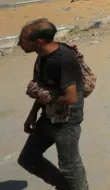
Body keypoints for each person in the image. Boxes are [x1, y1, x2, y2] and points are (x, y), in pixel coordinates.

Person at [17, 19, 90, 190]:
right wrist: (33, 113)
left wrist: (45, 97)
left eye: (23, 39)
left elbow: (71, 98)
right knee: (28, 159)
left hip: (66, 122)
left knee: (71, 167)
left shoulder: (62, 60)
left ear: (39, 42)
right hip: (48, 116)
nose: (19, 43)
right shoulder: (42, 56)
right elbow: (45, 88)